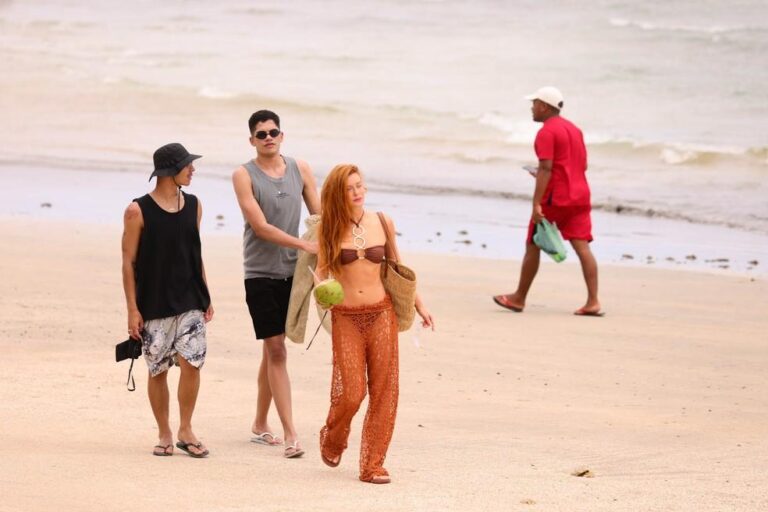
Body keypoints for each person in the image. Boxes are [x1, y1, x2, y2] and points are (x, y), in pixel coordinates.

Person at [315, 164, 434, 484]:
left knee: (384, 391)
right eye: (349, 188)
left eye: (360, 185)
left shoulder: (382, 222)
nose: (357, 192)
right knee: (352, 392)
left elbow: (398, 268)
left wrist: (420, 305)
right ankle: (334, 435)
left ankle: (372, 464)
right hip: (346, 317)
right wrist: (321, 291)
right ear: (337, 194)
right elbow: (321, 271)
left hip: (382, 313)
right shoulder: (328, 227)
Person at [232, 109, 320, 458]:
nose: (268, 138)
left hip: (294, 273)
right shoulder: (243, 175)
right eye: (261, 134)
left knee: (273, 349)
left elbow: (319, 217)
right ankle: (291, 434)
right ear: (252, 140)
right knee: (277, 350)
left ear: (281, 136)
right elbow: (260, 227)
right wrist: (303, 245)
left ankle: (259, 423)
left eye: (273, 132)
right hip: (260, 273)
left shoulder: (301, 168)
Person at [121, 142, 215, 458]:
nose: (193, 169)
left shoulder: (195, 205)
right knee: (158, 369)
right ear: (170, 170)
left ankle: (186, 429)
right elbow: (128, 262)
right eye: (187, 165)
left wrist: (205, 294)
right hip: (154, 302)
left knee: (192, 364)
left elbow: (195, 253)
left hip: (190, 299)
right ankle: (164, 432)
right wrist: (132, 309)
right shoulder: (137, 211)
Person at [493, 86, 602, 316]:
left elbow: (546, 168)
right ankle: (593, 301)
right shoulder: (575, 130)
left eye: (534, 104)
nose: (531, 108)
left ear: (544, 106)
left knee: (533, 244)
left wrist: (536, 204)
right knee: (582, 247)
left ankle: (519, 298)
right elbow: (580, 165)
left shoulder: (546, 132)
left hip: (556, 198)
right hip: (580, 195)